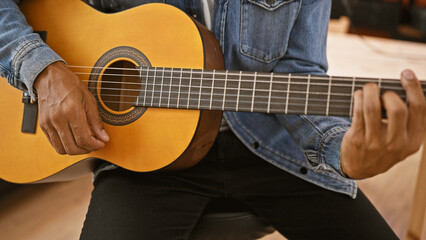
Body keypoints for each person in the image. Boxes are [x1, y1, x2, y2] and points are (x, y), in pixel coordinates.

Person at [1, 0, 425, 239]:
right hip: (149, 159)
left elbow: (299, 72)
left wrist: (343, 154)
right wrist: (40, 68)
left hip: (275, 148)